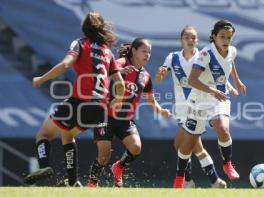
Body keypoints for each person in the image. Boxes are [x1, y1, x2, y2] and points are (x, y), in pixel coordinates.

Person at [23, 12, 125, 187]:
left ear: (84, 27)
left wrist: (41, 79)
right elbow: (120, 84)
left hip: (79, 102)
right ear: (101, 28)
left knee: (43, 134)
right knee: (68, 136)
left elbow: (64, 65)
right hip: (99, 108)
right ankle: (72, 181)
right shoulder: (108, 53)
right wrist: (118, 100)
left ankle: (44, 166)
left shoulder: (79, 44)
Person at [156, 26, 234, 188]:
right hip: (182, 108)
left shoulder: (203, 56)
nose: (190, 40)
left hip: (201, 103)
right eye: (187, 37)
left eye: (193, 37)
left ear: (197, 40)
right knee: (187, 145)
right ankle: (209, 181)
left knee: (189, 144)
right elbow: (159, 78)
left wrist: (229, 85)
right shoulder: (173, 57)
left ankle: (195, 181)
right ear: (181, 40)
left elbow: (218, 74)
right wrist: (160, 73)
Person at [87, 38, 172, 187]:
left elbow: (151, 100)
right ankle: (93, 182)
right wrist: (118, 71)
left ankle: (118, 167)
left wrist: (160, 111)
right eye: (144, 51)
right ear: (133, 50)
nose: (147, 55)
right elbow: (100, 74)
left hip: (125, 120)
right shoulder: (120, 63)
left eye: (149, 52)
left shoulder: (145, 76)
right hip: (105, 115)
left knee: (136, 147)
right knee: (104, 155)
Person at [173, 20, 247, 188]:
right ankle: (180, 178)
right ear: (214, 36)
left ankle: (227, 163)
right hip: (199, 99)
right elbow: (192, 80)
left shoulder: (232, 51)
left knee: (223, 128)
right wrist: (212, 91)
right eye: (222, 36)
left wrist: (236, 81)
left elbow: (230, 62)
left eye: (229, 37)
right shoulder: (206, 54)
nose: (226, 40)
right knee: (188, 145)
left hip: (220, 97)